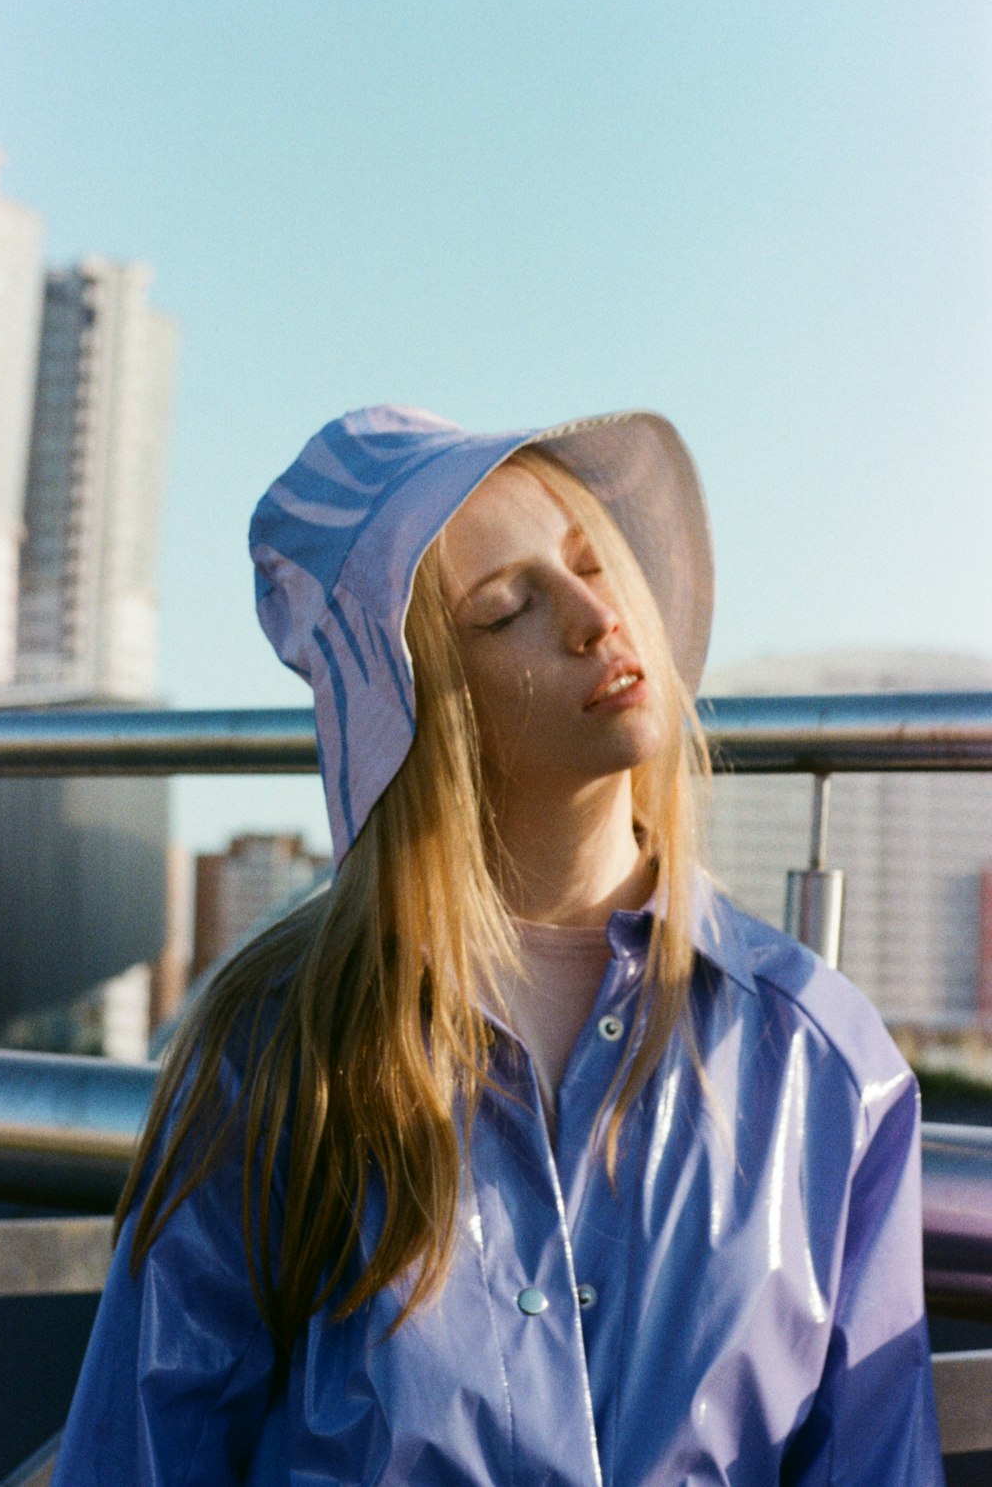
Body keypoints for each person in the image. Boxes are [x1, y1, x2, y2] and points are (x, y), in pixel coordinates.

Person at [54, 405, 944, 1484]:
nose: (594, 613)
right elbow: (142, 1453)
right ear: (419, 709)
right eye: (506, 607)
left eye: (590, 560)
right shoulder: (275, 1045)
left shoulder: (827, 1063)